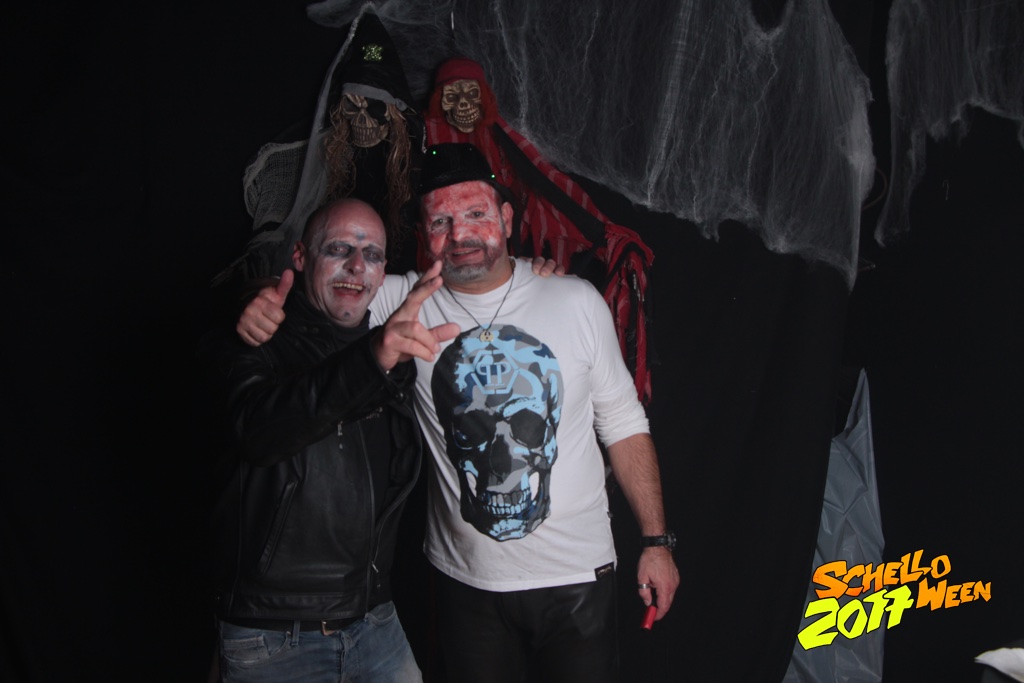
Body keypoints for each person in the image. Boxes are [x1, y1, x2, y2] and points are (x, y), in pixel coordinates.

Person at [238, 143, 680, 683]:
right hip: (463, 585)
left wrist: (656, 543)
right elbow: (321, 284)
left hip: (577, 579)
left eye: (476, 214)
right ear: (422, 236)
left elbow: (624, 425)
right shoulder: (404, 300)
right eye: (441, 221)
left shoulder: (575, 301)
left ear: (507, 220)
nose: (461, 234)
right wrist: (259, 299)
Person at [209, 197, 459, 682]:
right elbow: (260, 434)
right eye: (339, 249)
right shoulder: (251, 339)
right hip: (277, 636)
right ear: (300, 257)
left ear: (383, 274)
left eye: (372, 255)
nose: (357, 266)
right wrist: (372, 359)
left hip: (376, 621)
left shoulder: (391, 356)